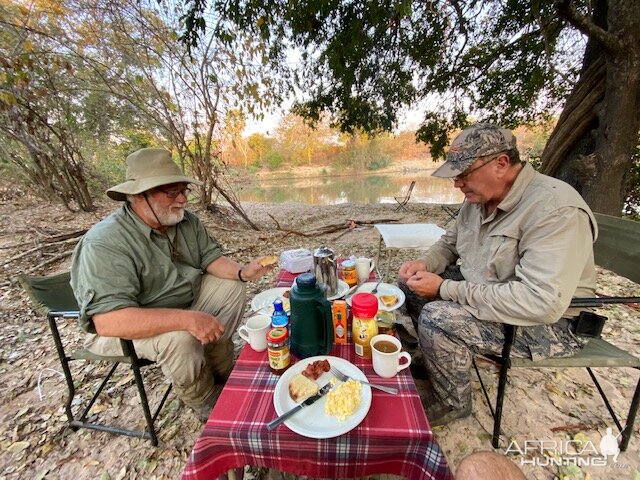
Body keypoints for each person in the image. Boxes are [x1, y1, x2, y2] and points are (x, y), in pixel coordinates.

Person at [397, 123, 597, 426]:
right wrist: (425, 263)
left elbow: (541, 302)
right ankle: (437, 357)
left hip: (556, 323)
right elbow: (449, 244)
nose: (457, 184)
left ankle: (452, 403)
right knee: (409, 285)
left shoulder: (555, 209)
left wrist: (446, 289)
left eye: (464, 174)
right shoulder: (479, 199)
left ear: (501, 164)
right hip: (492, 290)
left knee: (439, 316)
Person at [70, 148, 275, 420]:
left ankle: (220, 368)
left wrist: (242, 272)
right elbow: (108, 322)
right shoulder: (105, 242)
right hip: (124, 326)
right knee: (180, 338)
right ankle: (205, 400)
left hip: (183, 303)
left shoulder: (185, 221)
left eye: (184, 190)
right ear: (138, 196)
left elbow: (210, 258)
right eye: (171, 192)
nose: (182, 200)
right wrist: (186, 320)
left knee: (231, 288)